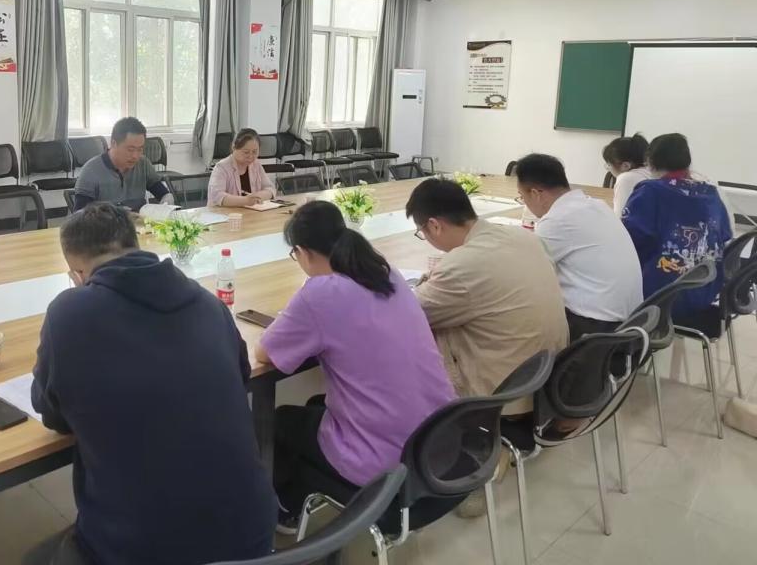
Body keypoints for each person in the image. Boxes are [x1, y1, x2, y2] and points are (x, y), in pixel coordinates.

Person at [30, 203, 276, 565]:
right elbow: (240, 377)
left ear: (78, 273)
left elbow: (52, 414)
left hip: (143, 549)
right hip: (253, 537)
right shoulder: (207, 303)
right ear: (136, 244)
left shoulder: (68, 313)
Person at [255, 201, 455, 531]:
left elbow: (264, 354)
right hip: (438, 440)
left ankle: (286, 510)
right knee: (315, 406)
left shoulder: (320, 293)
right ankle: (301, 497)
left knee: (280, 422)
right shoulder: (385, 272)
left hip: (388, 461)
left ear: (302, 252)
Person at [406, 178, 568, 402]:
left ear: (434, 225)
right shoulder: (525, 237)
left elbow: (409, 312)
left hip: (503, 398)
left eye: (422, 232)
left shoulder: (462, 265)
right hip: (547, 383)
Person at [515, 153, 643, 339]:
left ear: (535, 194)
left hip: (598, 329)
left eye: (522, 197)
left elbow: (525, 274)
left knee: (515, 309)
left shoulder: (556, 220)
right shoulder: (596, 205)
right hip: (631, 321)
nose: (524, 202)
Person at [623, 133, 733, 331]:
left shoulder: (650, 191)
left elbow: (628, 242)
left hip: (663, 299)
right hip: (708, 292)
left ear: (650, 162)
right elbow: (725, 235)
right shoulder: (711, 193)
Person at [71, 117, 174, 212]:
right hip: (105, 225)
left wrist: (167, 199)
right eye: (130, 149)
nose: (135, 156)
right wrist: (114, 214)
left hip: (139, 224)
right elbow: (80, 216)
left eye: (140, 149)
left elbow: (162, 193)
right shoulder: (91, 171)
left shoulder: (143, 164)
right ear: (113, 144)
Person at [208, 128, 276, 207]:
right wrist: (246, 201)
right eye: (246, 152)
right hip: (224, 213)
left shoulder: (256, 165)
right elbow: (217, 196)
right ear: (234, 147)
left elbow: (270, 188)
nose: (251, 156)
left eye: (254, 152)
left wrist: (258, 197)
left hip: (251, 212)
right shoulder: (221, 167)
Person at [603, 133, 651, 215]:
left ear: (625, 166)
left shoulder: (626, 179)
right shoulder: (650, 171)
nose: (607, 168)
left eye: (609, 165)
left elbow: (620, 216)